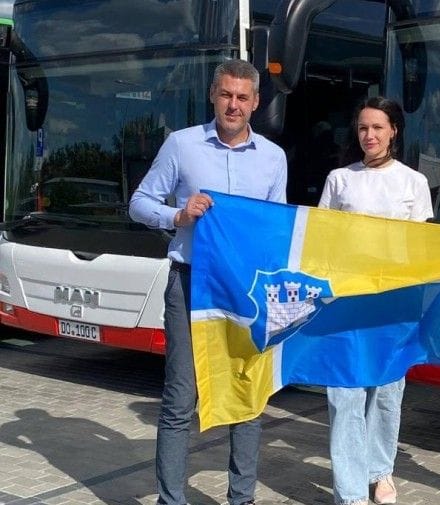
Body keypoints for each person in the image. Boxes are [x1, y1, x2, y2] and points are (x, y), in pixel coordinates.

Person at [129, 59, 287, 505]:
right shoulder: (181, 145)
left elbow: (274, 229)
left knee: (247, 397)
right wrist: (177, 216)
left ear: (255, 103)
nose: (233, 105)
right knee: (181, 398)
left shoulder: (274, 159)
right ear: (213, 96)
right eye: (225, 95)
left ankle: (242, 499)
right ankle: (171, 500)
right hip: (191, 283)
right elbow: (139, 203)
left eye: (242, 97)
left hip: (246, 290)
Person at [318, 96, 433, 505]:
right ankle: (349, 493)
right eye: (363, 127)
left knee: (386, 390)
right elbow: (321, 241)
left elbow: (422, 246)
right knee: (345, 393)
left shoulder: (413, 183)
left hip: (395, 301)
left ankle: (379, 471)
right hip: (346, 300)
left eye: (378, 127)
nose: (369, 135)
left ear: (394, 131)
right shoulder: (339, 180)